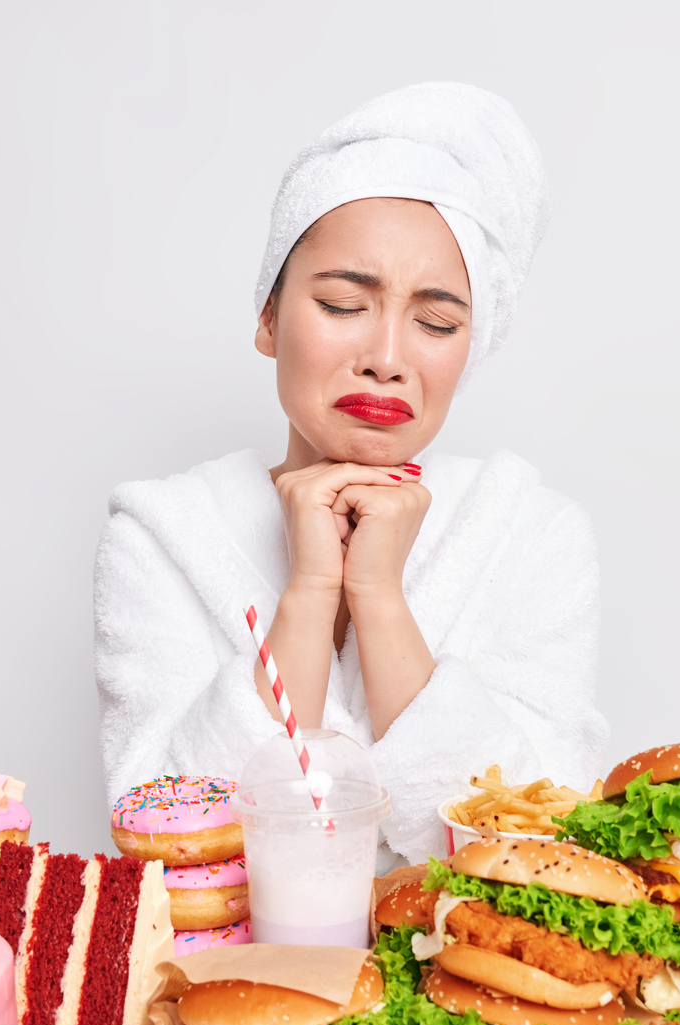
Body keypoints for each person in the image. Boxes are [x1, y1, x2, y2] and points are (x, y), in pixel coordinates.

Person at [94, 82, 607, 866]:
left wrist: (378, 599)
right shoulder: (163, 535)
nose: (388, 357)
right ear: (268, 318)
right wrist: (307, 594)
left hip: (462, 981)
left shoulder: (531, 533)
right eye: (341, 303)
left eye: (436, 322)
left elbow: (541, 838)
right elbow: (168, 841)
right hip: (234, 974)